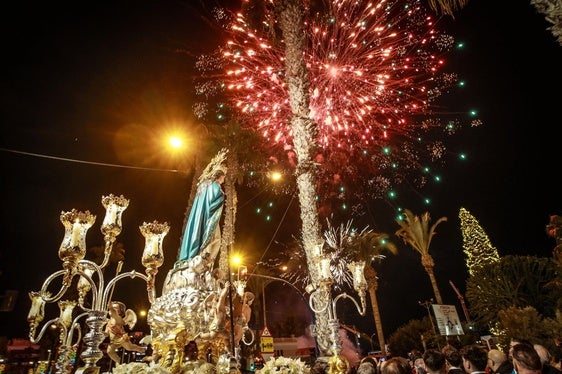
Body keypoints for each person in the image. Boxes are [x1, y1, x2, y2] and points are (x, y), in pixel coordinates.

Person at [177, 149, 228, 263]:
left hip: (200, 217)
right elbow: (216, 198)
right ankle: (205, 262)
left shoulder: (204, 185)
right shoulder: (214, 185)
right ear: (219, 176)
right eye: (223, 177)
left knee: (210, 239)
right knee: (215, 240)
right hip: (209, 219)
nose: (224, 180)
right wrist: (222, 195)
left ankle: (203, 260)